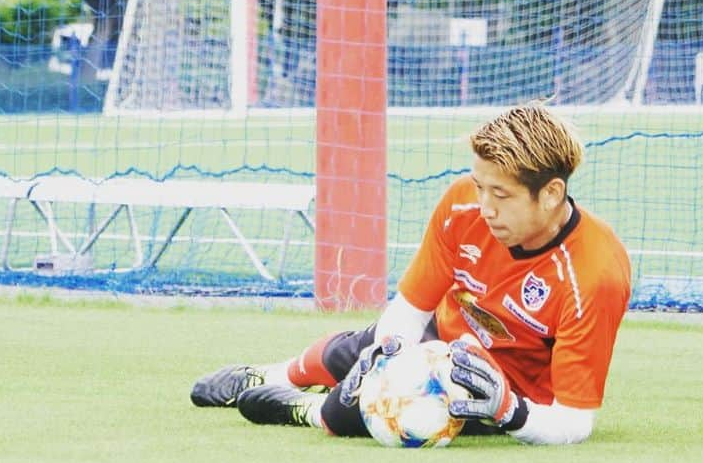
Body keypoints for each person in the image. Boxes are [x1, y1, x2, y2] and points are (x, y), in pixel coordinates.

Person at [191, 102, 631, 445]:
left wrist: (507, 410)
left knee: (369, 416)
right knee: (356, 349)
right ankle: (270, 376)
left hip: (503, 391)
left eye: (501, 194)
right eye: (479, 187)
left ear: (552, 193)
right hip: (441, 338)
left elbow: (574, 421)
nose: (485, 207)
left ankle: (304, 409)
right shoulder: (462, 206)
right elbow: (410, 309)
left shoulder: (594, 275)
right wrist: (389, 353)